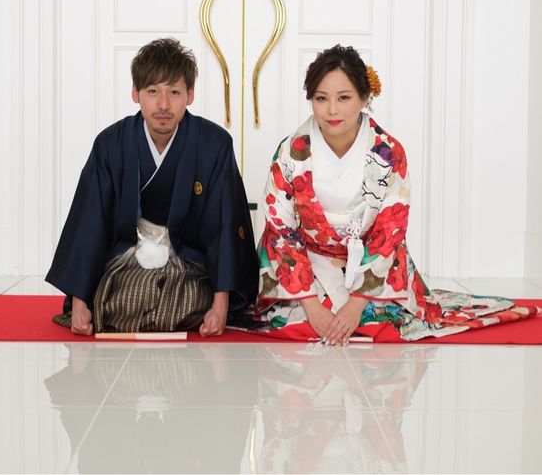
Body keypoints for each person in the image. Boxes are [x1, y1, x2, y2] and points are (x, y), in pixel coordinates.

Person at [256, 45, 539, 343]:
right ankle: (310, 303)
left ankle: (360, 302)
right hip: (308, 260)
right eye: (321, 98)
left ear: (365, 97)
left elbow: (389, 230)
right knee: (295, 319)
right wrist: (312, 306)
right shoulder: (290, 152)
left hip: (369, 258)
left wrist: (355, 305)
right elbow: (280, 228)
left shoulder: (388, 151)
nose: (332, 110)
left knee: (382, 318)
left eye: (344, 98)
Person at [46, 38, 258, 337]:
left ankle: (172, 308)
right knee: (129, 295)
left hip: (188, 263)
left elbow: (223, 226)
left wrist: (220, 305)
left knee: (187, 296)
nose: (163, 105)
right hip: (127, 260)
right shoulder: (110, 144)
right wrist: (80, 304)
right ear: (135, 93)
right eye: (152, 92)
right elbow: (90, 222)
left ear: (190, 95)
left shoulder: (214, 145)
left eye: (174, 92)